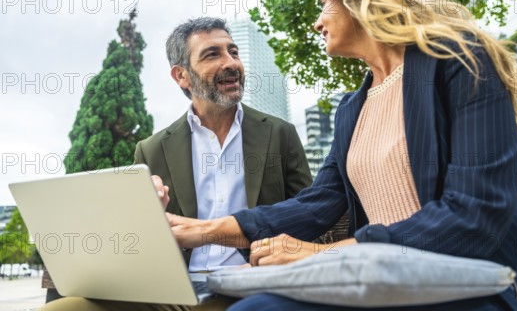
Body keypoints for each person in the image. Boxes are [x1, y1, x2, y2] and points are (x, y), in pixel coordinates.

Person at [161, 0, 517, 310]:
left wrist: (324, 255)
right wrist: (203, 231)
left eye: (323, 5)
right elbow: (319, 202)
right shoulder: (354, 107)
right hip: (393, 287)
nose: (317, 22)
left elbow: (475, 214)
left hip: (492, 287)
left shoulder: (461, 61)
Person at [39, 17, 312, 311]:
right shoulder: (152, 149)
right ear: (182, 75)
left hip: (253, 284)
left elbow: (311, 214)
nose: (231, 62)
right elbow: (136, 239)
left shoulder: (279, 133)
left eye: (233, 52)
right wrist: (144, 210)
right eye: (213, 54)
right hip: (174, 291)